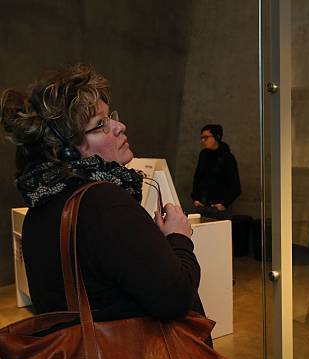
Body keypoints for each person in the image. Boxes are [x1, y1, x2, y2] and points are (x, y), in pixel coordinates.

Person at [0, 64, 204, 325]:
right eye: (100, 125)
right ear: (65, 151)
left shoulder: (42, 206)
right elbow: (176, 299)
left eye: (111, 117)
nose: (120, 126)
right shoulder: (104, 204)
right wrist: (178, 236)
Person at [191, 124, 241, 220]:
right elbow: (197, 178)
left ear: (217, 137)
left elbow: (235, 186)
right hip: (202, 206)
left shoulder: (227, 157)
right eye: (202, 138)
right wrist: (196, 198)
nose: (203, 141)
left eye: (206, 137)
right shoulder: (203, 155)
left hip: (219, 209)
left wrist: (224, 204)